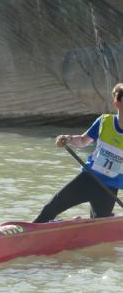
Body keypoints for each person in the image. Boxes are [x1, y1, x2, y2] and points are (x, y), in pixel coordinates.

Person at [34, 83, 123, 223]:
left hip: (109, 189)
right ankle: (28, 236)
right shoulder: (104, 122)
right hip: (88, 178)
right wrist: (68, 139)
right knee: (50, 208)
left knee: (97, 227)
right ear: (117, 103)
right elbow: (82, 141)